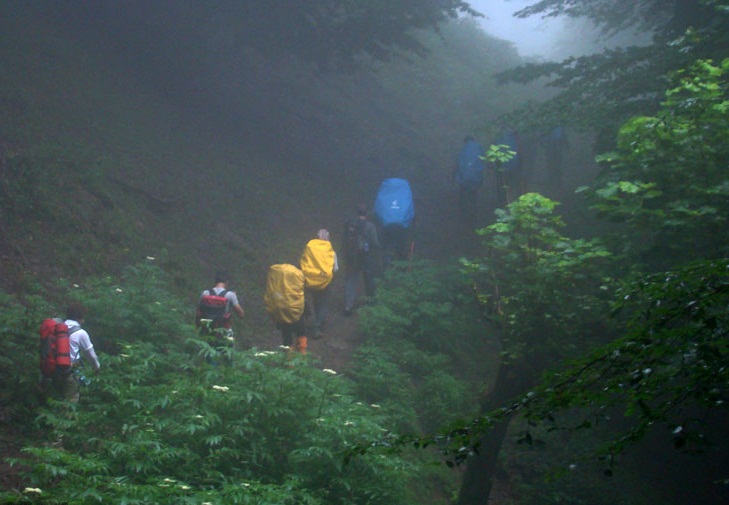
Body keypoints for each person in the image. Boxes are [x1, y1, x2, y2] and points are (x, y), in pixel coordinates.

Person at [343, 203, 380, 315]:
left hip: (352, 256)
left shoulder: (350, 224)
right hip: (365, 256)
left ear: (357, 212)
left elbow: (344, 240)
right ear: (367, 213)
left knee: (351, 281)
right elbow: (374, 242)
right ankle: (371, 303)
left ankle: (348, 306)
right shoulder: (370, 226)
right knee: (368, 278)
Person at [59, 302, 100, 402]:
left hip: (52, 370)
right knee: (70, 403)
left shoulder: (58, 328)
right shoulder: (80, 333)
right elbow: (92, 356)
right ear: (79, 317)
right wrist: (97, 368)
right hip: (68, 371)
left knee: (56, 399)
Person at [302, 229, 339, 339]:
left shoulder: (310, 247)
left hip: (310, 280)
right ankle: (317, 326)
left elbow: (303, 262)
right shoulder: (331, 251)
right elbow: (335, 269)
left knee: (316, 301)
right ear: (328, 237)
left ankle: (316, 319)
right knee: (324, 303)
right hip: (325, 282)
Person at [196, 270, 245, 341]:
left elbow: (198, 312)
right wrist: (234, 297)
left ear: (215, 281)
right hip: (223, 330)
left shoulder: (204, 293)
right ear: (227, 282)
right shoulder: (230, 295)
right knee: (229, 342)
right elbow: (241, 314)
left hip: (206, 329)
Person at [453, 135, 485, 226]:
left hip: (463, 180)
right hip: (475, 180)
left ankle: (463, 216)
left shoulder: (463, 150)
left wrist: (454, 177)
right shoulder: (479, 148)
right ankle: (473, 217)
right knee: (472, 198)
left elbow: (458, 164)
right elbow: (481, 163)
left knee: (463, 198)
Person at [542, 125, 569, 191]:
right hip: (553, 148)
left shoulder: (557, 127)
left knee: (555, 166)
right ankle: (555, 183)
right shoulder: (558, 127)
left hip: (555, 148)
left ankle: (556, 183)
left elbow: (562, 137)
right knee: (553, 166)